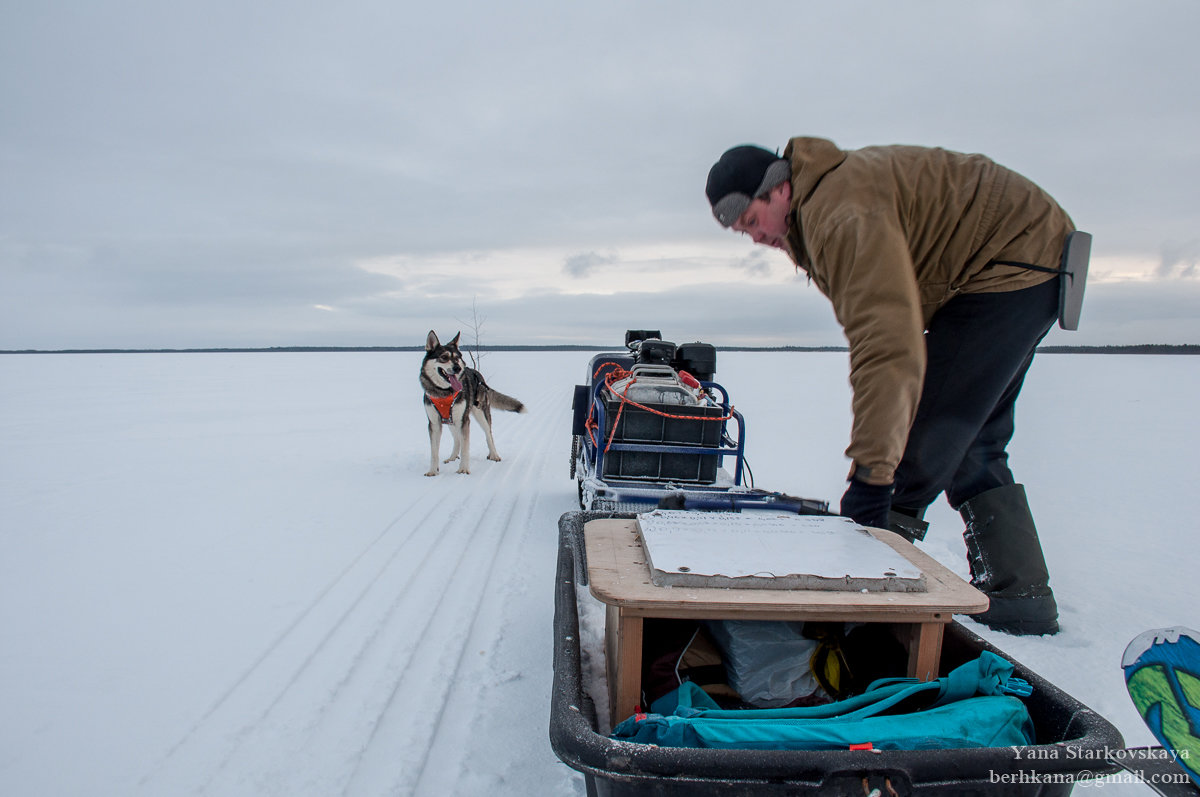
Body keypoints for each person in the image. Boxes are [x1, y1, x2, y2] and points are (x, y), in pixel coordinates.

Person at [706, 137, 1078, 635]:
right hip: (1021, 257)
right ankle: (1019, 594)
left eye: (752, 221)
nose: (754, 238)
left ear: (780, 190)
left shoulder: (838, 214)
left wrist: (870, 481)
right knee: (971, 440)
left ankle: (866, 601)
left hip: (1008, 262)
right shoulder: (821, 208)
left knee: (922, 443)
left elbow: (886, 344)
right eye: (741, 232)